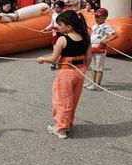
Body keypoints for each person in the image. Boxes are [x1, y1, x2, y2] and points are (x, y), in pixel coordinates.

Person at [36, 11, 92, 139]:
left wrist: (42, 59)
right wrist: (83, 69)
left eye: (60, 25)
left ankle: (60, 128)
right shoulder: (86, 37)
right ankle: (68, 123)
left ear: (69, 27)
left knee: (62, 100)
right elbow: (89, 58)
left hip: (66, 72)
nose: (58, 27)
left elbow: (54, 59)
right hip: (80, 71)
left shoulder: (63, 39)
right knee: (73, 99)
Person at [86, 8, 119, 91]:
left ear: (104, 17)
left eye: (98, 17)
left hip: (100, 49)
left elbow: (116, 35)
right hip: (93, 48)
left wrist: (106, 40)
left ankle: (97, 85)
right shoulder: (94, 26)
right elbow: (92, 36)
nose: (96, 18)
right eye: (96, 16)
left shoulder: (106, 27)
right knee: (93, 66)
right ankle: (92, 82)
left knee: (99, 67)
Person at [43, 0, 65, 70]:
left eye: (58, 7)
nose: (56, 9)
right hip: (55, 33)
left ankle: (63, 62)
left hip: (63, 33)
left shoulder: (65, 15)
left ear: (62, 8)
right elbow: (52, 24)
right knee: (55, 48)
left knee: (63, 49)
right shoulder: (54, 15)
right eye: (55, 7)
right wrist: (46, 29)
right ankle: (54, 62)